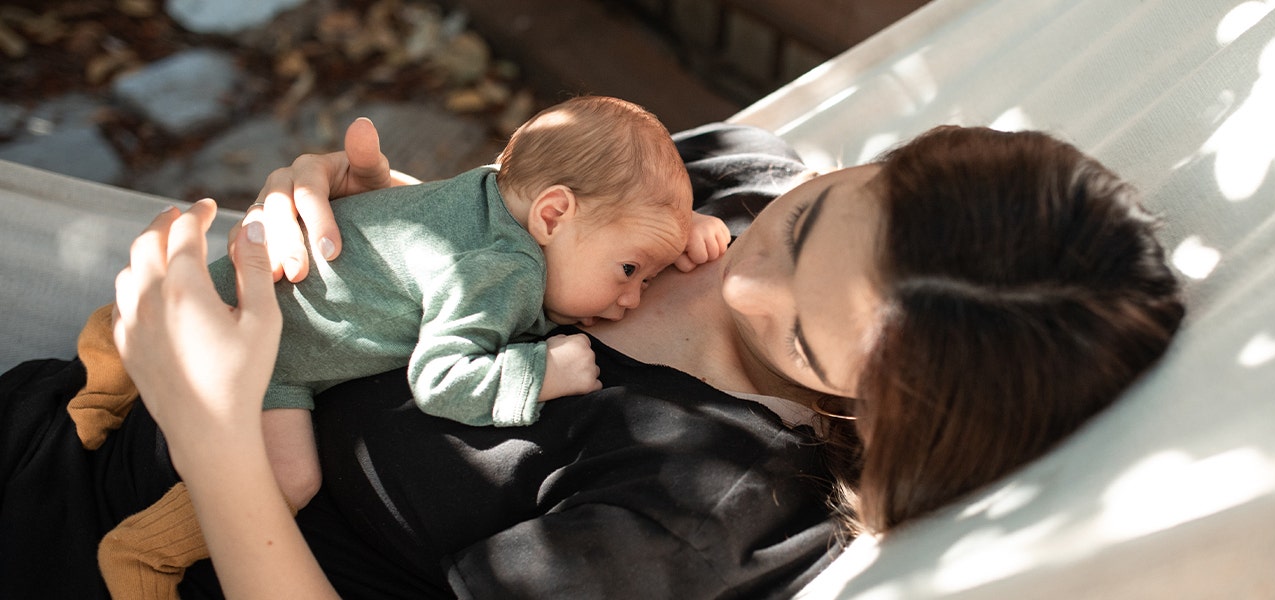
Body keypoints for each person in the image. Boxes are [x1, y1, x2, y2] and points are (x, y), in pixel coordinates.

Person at [0, 120, 1184, 599]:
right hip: (57, 410)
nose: (724, 274)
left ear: (875, 413)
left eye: (801, 335)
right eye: (812, 219)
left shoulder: (686, 506)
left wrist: (216, 446)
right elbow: (504, 236)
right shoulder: (743, 172)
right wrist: (360, 214)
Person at [68, 95, 731, 599]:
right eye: (631, 270)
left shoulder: (484, 192)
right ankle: (144, 553)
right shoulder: (504, 271)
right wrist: (540, 371)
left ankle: (107, 358)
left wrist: (672, 236)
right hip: (273, 356)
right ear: (553, 215)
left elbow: (614, 220)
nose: (636, 295)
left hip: (246, 296)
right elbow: (442, 380)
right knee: (291, 477)